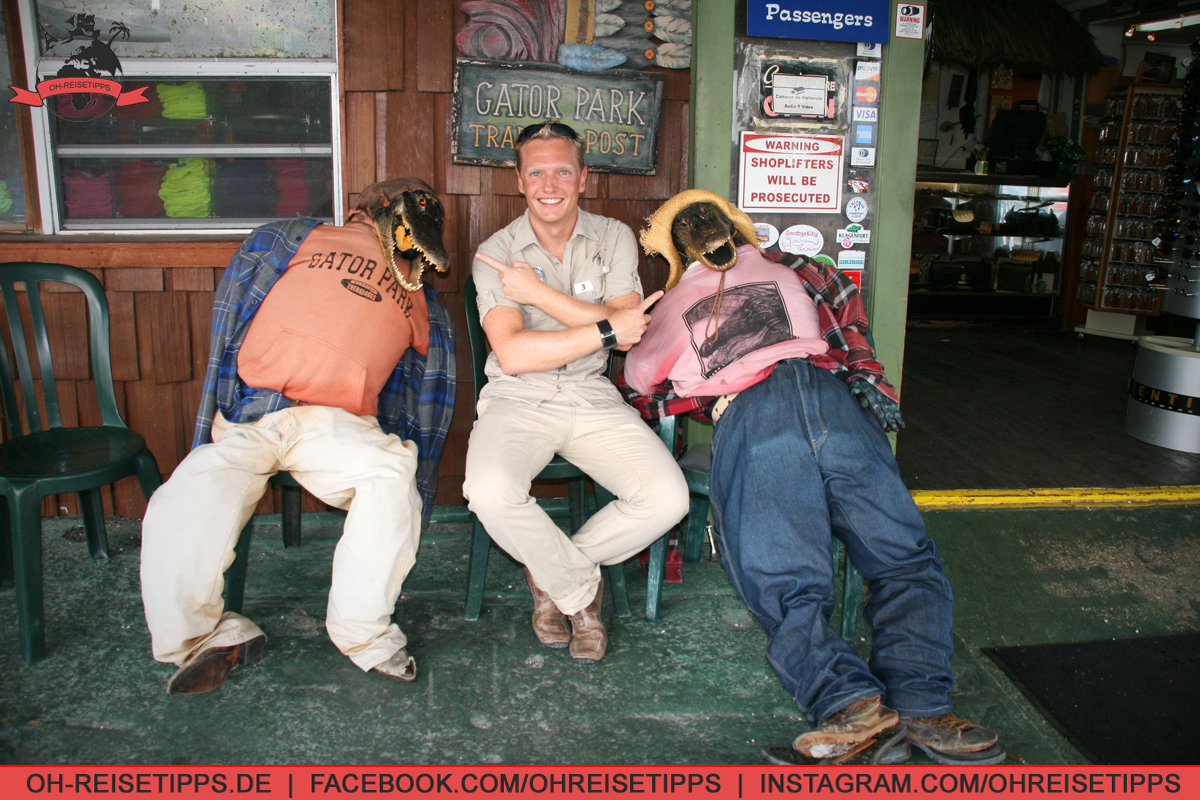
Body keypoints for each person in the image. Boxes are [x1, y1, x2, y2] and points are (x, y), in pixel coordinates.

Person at [622, 190, 1004, 765]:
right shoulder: (799, 271)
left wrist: (691, 397)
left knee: (786, 577)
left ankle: (856, 705)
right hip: (826, 400)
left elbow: (637, 385)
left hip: (760, 414)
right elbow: (851, 331)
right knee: (901, 555)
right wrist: (864, 380)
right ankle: (915, 706)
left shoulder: (678, 303)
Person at [140, 177, 455, 694]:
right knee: (185, 496)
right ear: (375, 208)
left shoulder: (417, 291)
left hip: (335, 425)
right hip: (254, 413)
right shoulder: (297, 240)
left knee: (392, 474)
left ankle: (364, 634)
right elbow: (240, 300)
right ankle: (203, 639)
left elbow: (427, 377)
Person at [463, 121, 689, 664]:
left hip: (591, 394)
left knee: (667, 498)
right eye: (537, 172)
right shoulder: (496, 252)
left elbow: (629, 333)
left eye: (563, 172)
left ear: (583, 178)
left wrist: (538, 295)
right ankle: (579, 595)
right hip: (518, 395)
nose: (550, 185)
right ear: (519, 180)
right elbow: (514, 354)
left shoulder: (612, 236)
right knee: (489, 491)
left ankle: (550, 577)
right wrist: (606, 325)